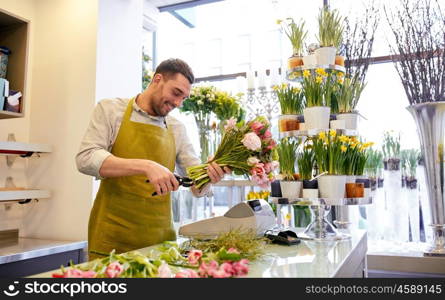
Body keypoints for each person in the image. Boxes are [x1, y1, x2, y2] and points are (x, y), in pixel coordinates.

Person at [76, 58, 230, 260]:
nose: (177, 103)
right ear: (157, 79)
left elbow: (197, 188)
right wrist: (145, 166)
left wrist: (209, 176)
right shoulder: (111, 110)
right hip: (112, 237)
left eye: (183, 98)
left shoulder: (176, 128)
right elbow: (86, 158)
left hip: (159, 242)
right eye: (176, 93)